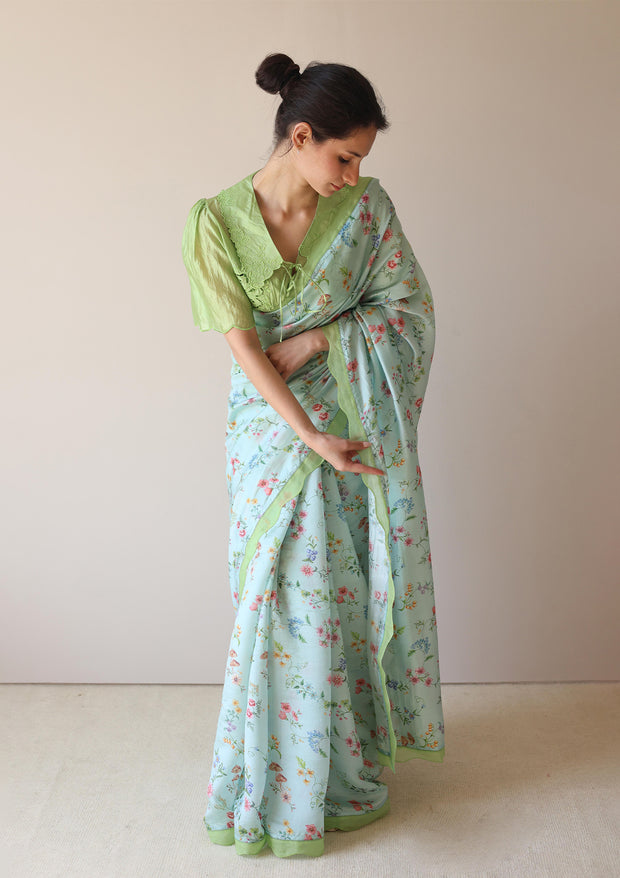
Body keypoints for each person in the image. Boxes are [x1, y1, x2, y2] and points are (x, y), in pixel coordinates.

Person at [181, 52, 446, 859]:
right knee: (277, 595)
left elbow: (410, 310)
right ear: (300, 137)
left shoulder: (367, 211)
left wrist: (325, 337)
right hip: (274, 433)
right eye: (344, 156)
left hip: (349, 417)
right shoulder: (215, 222)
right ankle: (274, 780)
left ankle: (336, 769)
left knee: (337, 591)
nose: (353, 175)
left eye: (361, 160)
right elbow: (245, 351)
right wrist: (311, 438)